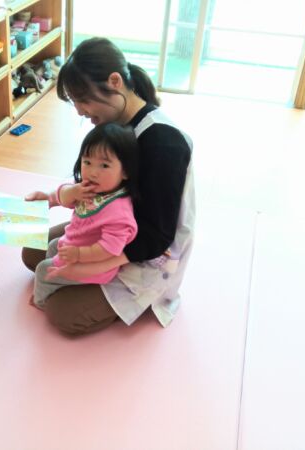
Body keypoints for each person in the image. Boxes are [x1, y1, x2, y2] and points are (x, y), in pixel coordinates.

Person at [23, 37, 195, 336]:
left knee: (62, 313)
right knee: (32, 252)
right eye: (75, 102)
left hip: (146, 252)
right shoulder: (115, 126)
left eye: (82, 100)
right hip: (109, 223)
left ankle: (123, 301)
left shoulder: (163, 143)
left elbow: (157, 236)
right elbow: (90, 184)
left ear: (115, 82)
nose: (79, 111)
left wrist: (93, 260)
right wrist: (55, 197)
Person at [33, 123, 139, 309]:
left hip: (94, 265)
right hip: (75, 245)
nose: (92, 172)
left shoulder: (119, 213)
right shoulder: (95, 188)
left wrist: (79, 255)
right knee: (52, 245)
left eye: (104, 165)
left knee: (43, 270)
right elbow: (66, 197)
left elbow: (109, 249)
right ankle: (55, 284)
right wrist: (68, 192)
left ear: (125, 171)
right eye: (87, 162)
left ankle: (40, 302)